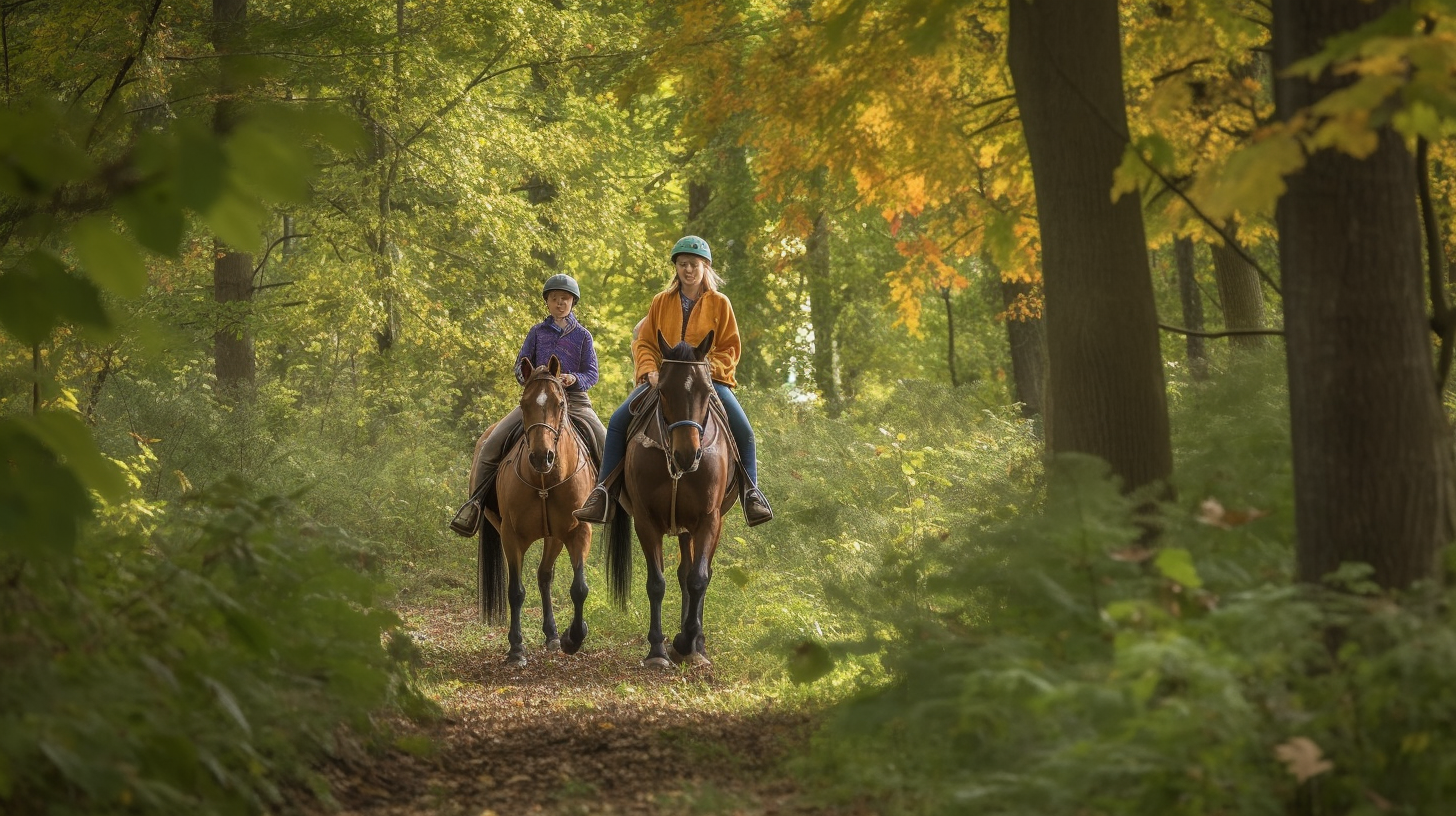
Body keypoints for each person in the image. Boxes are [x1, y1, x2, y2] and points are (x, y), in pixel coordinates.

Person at [573, 235, 773, 527]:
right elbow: (644, 342)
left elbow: (730, 347)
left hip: (706, 382)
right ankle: (602, 492)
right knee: (617, 422)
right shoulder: (661, 302)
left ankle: (751, 493)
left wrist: (705, 370)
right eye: (682, 264)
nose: (688, 270)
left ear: (705, 267)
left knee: (744, 430)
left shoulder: (720, 303)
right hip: (663, 380)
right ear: (676, 268)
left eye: (693, 264)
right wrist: (649, 370)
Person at [449, 274, 607, 536]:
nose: (560, 303)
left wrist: (573, 378)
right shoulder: (536, 332)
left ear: (573, 303)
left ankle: (606, 501)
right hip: (537, 400)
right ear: (547, 302)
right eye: (555, 299)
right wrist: (529, 378)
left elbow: (592, 373)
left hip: (574, 400)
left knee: (604, 440)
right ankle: (474, 504)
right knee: (490, 445)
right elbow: (519, 364)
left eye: (565, 299)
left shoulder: (583, 336)